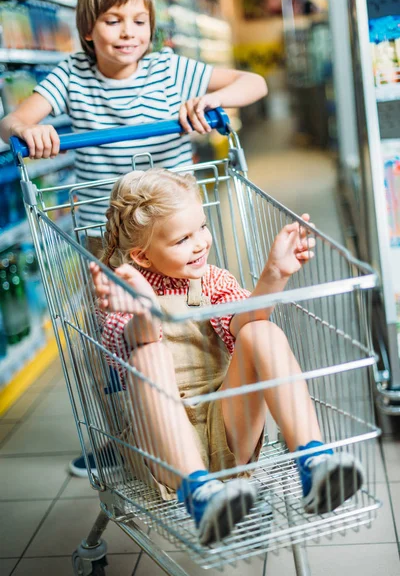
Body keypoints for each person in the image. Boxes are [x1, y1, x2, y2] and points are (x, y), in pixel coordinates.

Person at [0, 0, 268, 475]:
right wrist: (28, 128)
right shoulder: (71, 77)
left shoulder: (171, 70)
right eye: (113, 20)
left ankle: (205, 419)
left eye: (139, 21)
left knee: (193, 321)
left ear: (152, 27)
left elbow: (255, 83)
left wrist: (213, 101)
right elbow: (14, 120)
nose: (128, 32)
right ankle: (120, 437)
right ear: (87, 28)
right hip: (104, 240)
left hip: (171, 234)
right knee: (109, 343)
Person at [89, 168, 365, 545]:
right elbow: (137, 339)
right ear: (142, 255)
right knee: (145, 354)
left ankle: (314, 460)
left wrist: (274, 274)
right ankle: (201, 494)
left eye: (201, 227)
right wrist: (143, 310)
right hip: (165, 447)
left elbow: (243, 323)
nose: (201, 243)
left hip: (227, 425)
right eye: (183, 239)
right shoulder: (124, 291)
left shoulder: (213, 280)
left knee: (260, 330)